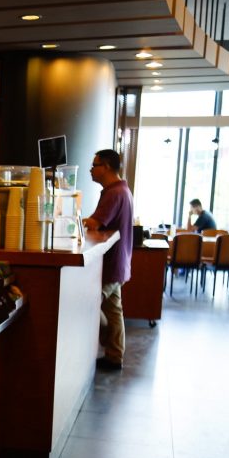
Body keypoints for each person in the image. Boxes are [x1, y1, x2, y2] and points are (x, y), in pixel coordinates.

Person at [83, 149, 134, 371]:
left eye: (94, 165)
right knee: (114, 310)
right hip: (120, 262)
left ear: (106, 167)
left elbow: (95, 223)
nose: (91, 170)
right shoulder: (122, 190)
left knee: (89, 304)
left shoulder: (114, 193)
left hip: (112, 264)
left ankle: (108, 349)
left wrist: (75, 219)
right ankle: (114, 355)